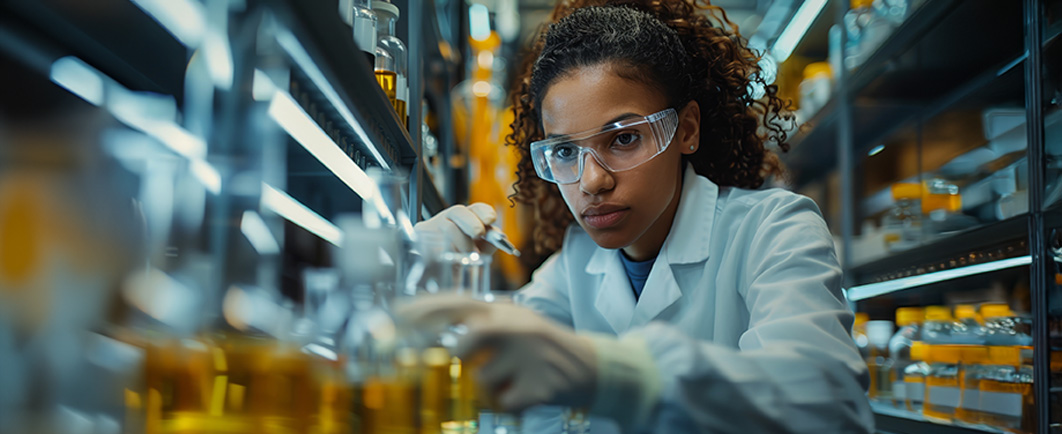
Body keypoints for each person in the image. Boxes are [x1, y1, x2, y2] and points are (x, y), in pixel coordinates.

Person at [402, 1, 874, 432]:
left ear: (685, 129)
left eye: (624, 138)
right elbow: (495, 360)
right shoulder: (577, 262)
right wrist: (431, 279)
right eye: (565, 150)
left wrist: (624, 376)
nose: (591, 182)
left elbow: (830, 407)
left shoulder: (773, 229)